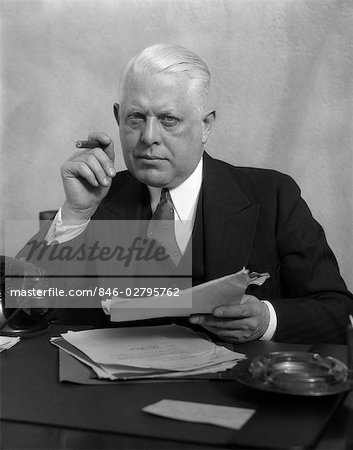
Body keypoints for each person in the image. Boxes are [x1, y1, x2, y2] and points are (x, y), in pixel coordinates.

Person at [22, 43, 353, 344]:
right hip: (112, 402)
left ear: (206, 125)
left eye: (168, 120)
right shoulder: (94, 197)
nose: (148, 137)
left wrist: (267, 319)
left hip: (233, 398)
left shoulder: (274, 196)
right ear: (117, 117)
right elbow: (19, 307)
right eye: (136, 118)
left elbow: (338, 311)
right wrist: (75, 215)